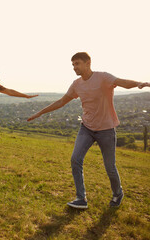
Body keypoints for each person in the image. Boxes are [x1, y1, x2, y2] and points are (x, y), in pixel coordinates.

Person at [27, 52, 150, 209]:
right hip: (87, 127)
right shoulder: (76, 84)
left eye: (77, 63)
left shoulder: (103, 77)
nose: (74, 67)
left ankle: (118, 193)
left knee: (110, 167)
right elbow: (62, 101)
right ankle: (81, 198)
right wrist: (40, 112)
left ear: (88, 63)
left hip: (106, 129)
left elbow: (121, 82)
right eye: (73, 65)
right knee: (75, 159)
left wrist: (138, 83)